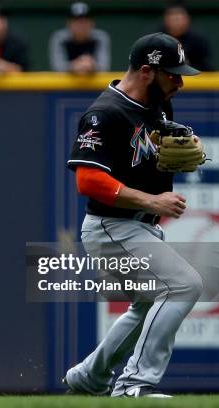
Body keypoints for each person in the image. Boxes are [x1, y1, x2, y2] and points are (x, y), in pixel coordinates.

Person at [64, 33, 204, 398]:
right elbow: (88, 180)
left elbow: (146, 157)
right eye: (172, 74)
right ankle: (133, 385)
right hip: (111, 228)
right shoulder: (104, 113)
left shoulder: (157, 105)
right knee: (183, 285)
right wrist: (153, 201)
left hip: (136, 228)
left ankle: (88, 377)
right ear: (146, 71)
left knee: (146, 305)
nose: (180, 81)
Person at [49, 2, 110, 73]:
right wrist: (74, 66)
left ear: (92, 23)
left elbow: (104, 67)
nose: (81, 25)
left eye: (84, 21)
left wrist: (91, 65)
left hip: (94, 83)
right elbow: (58, 67)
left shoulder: (100, 37)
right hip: (65, 83)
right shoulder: (60, 38)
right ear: (68, 23)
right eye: (76, 21)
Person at [160, 1, 213, 71]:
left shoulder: (198, 41)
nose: (176, 23)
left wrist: (187, 66)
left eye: (178, 19)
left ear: (187, 20)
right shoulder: (156, 39)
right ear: (166, 20)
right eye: (173, 19)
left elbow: (208, 68)